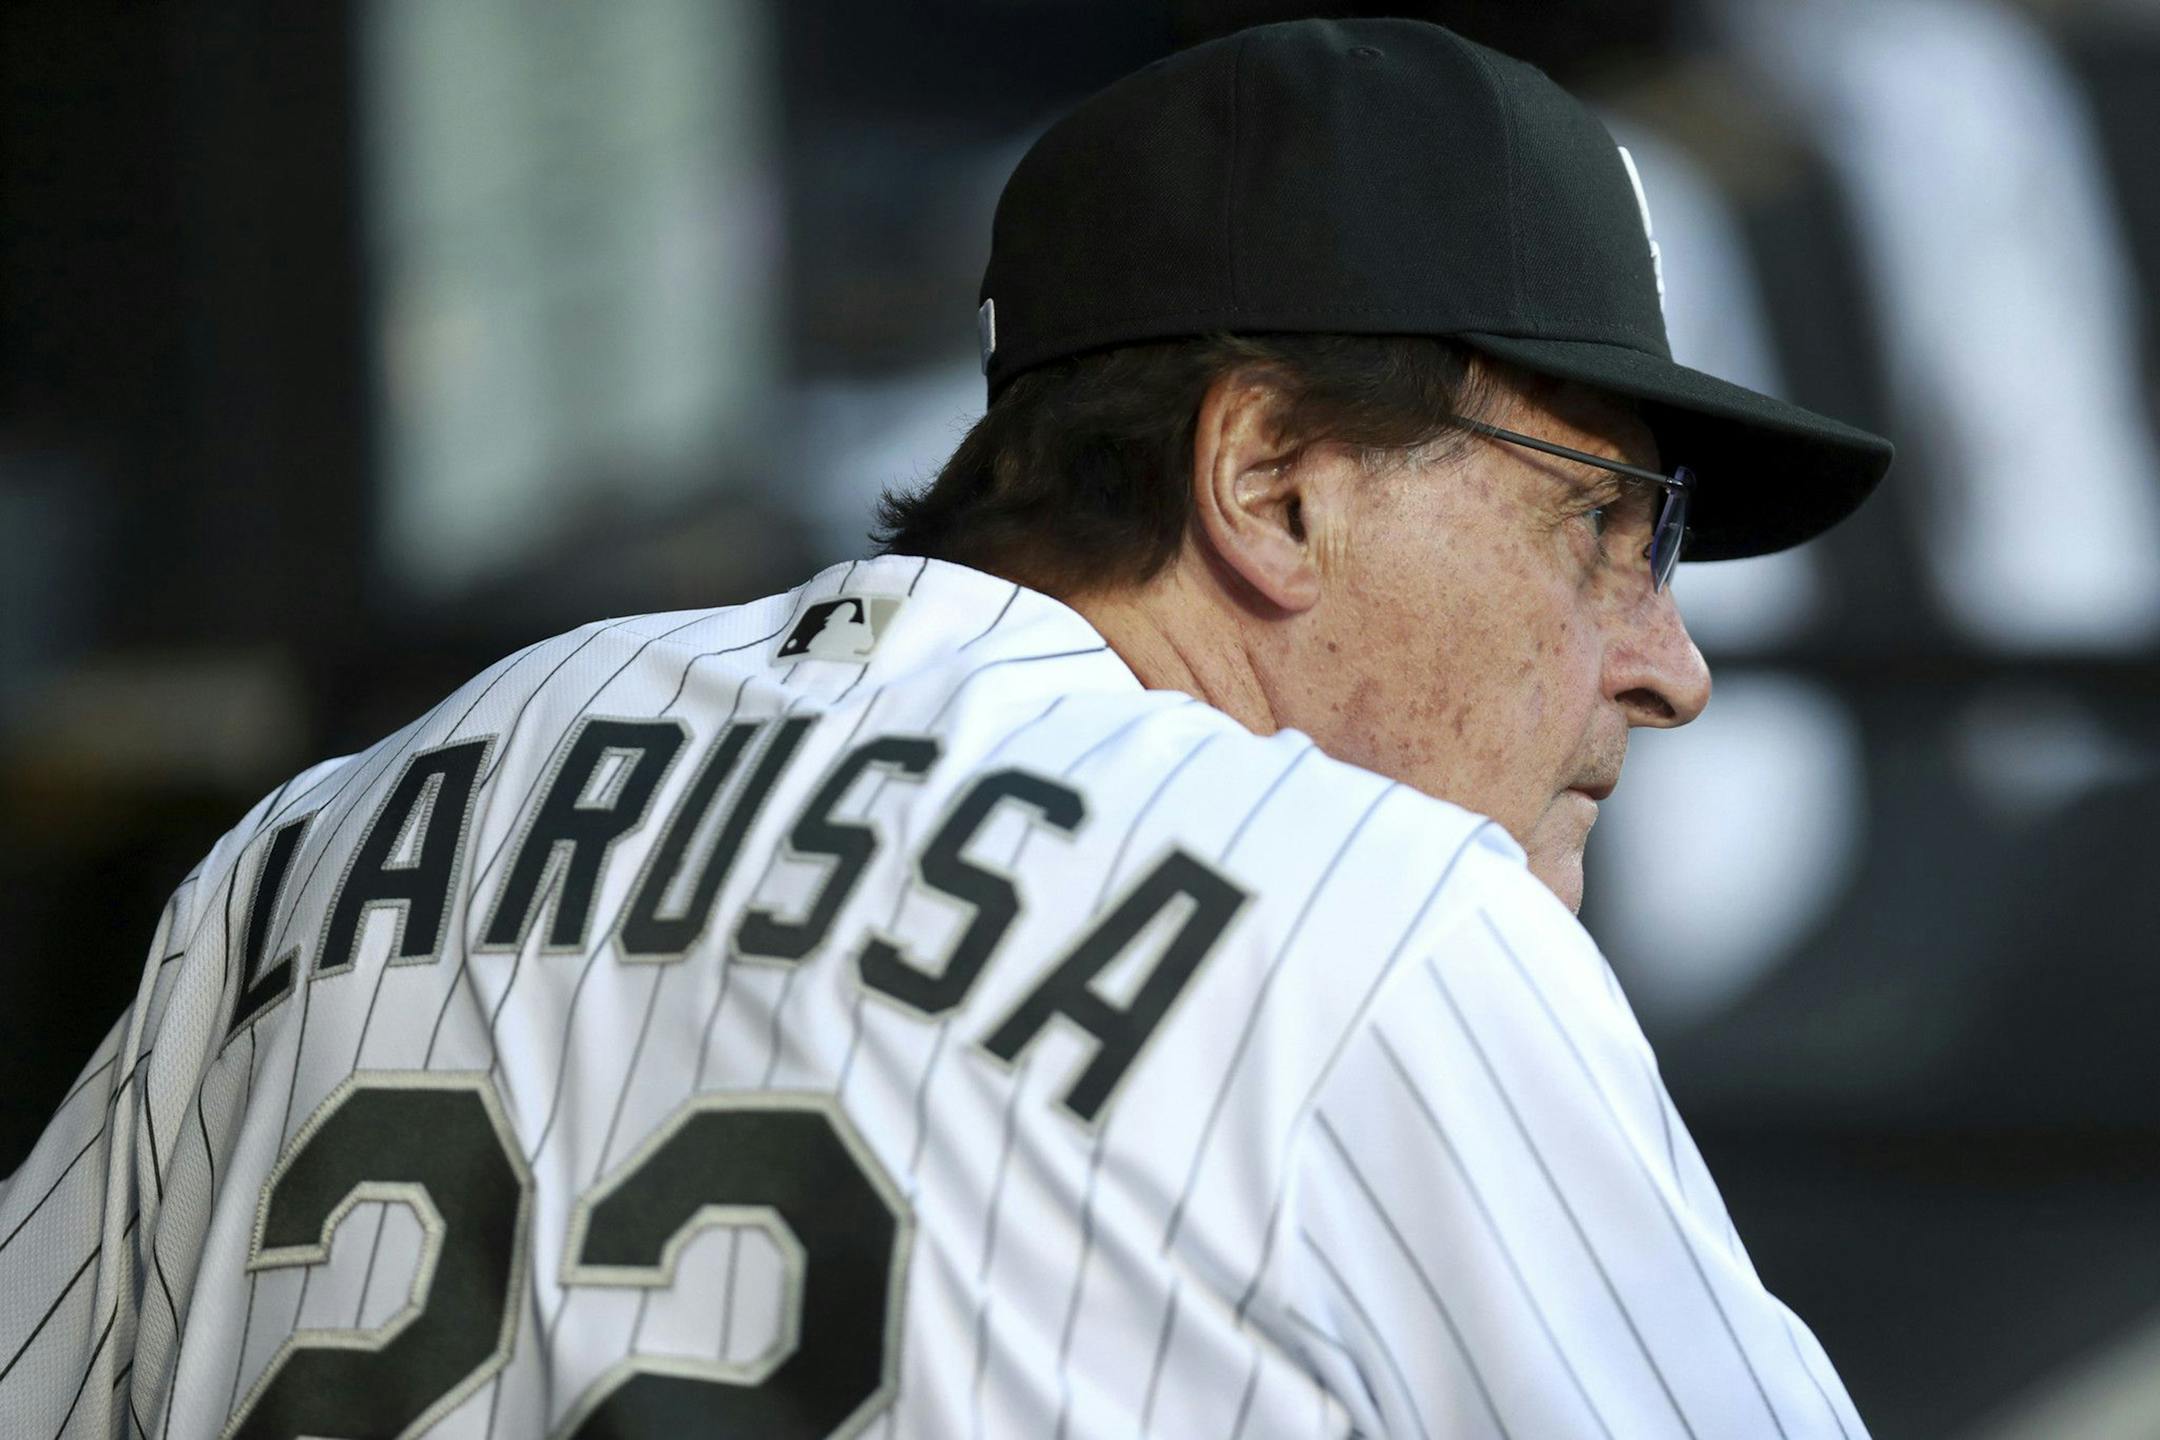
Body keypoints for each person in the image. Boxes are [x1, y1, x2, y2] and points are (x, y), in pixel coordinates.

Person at [0, 17, 1891, 1438]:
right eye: (1605, 525)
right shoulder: (1373, 925)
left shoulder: (318, 842)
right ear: (1273, 481)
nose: (1668, 656)